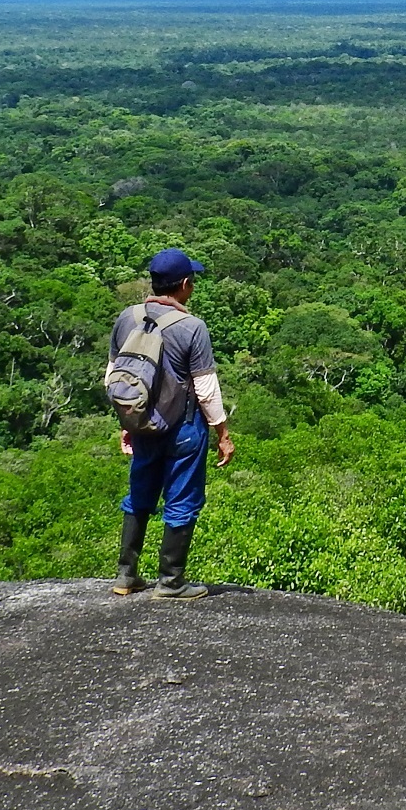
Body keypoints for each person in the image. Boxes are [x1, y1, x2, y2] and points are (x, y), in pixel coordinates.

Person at [111, 248, 234, 601]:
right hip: (184, 427)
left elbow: (116, 376)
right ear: (184, 285)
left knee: (139, 493)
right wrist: (223, 434)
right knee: (182, 498)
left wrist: (128, 421)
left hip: (142, 422)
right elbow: (206, 389)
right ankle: (171, 581)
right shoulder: (192, 327)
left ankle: (126, 575)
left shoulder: (127, 318)